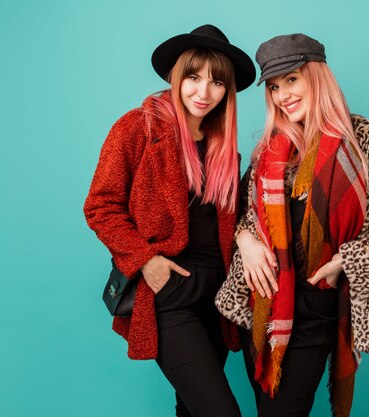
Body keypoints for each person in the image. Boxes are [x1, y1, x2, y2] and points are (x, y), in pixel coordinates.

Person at [215, 33, 369, 417]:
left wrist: (350, 260)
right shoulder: (271, 150)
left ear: (317, 76)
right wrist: (245, 240)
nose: (283, 95)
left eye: (292, 79)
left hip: (316, 312)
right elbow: (243, 212)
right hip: (261, 308)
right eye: (274, 86)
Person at [84, 24, 255, 417]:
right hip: (171, 292)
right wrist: (145, 259)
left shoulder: (223, 146)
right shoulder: (137, 127)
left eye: (215, 82)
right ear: (174, 77)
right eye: (193, 77)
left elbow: (233, 220)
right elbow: (100, 205)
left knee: (191, 408)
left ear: (227, 90)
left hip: (220, 294)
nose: (203, 91)